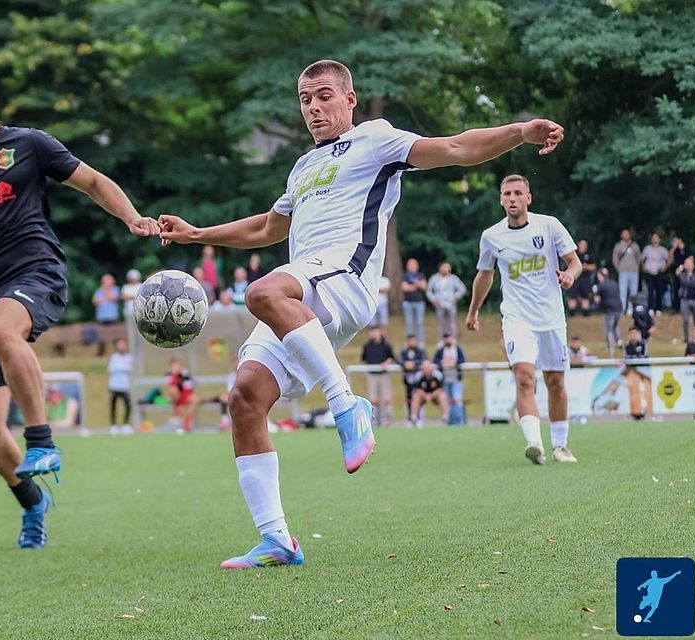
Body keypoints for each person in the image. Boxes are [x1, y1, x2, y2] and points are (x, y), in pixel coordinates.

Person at [157, 59, 564, 568]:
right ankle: (277, 538)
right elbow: (266, 228)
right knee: (244, 398)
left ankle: (347, 406)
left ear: (350, 99)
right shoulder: (302, 167)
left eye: (324, 96)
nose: (313, 107)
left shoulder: (375, 139)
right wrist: (197, 234)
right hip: (304, 295)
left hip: (345, 278)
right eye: (305, 99)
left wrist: (520, 132)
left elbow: (456, 148)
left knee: (260, 292)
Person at [0, 61, 159, 549]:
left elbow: (93, 182)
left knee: (1, 329)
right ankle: (31, 501)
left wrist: (131, 217)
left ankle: (42, 440)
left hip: (36, 273)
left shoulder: (28, 144)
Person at [466, 174, 581, 465]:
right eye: (507, 194)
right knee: (524, 377)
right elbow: (485, 274)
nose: (512, 198)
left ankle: (560, 446)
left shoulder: (549, 225)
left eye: (518, 193)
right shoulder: (492, 236)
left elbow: (574, 262)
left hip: (551, 318)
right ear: (501, 200)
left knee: (555, 381)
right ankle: (535, 444)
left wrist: (570, 276)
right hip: (517, 319)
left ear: (528, 198)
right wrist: (473, 310)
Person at [360, 326, 395, 426]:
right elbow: (364, 359)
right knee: (373, 399)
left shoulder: (386, 346)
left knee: (385, 399)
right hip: (372, 375)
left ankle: (387, 422)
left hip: (384, 375)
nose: (373, 334)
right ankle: (373, 421)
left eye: (375, 332)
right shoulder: (367, 346)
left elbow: (391, 357)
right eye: (371, 332)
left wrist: (386, 364)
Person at [426, 261, 466, 339]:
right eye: (445, 267)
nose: (447, 269)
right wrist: (433, 299)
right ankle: (441, 340)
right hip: (439, 303)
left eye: (448, 267)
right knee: (441, 324)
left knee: (452, 323)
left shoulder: (453, 278)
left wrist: (456, 297)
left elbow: (462, 288)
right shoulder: (434, 278)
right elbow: (429, 291)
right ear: (440, 268)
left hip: (450, 303)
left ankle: (453, 339)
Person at [432, 333, 466, 425]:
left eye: (449, 338)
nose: (448, 340)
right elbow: (435, 360)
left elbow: (463, 359)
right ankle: (450, 421)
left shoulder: (457, 349)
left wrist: (455, 363)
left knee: (457, 400)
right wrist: (442, 362)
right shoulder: (441, 350)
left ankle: (459, 421)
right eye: (446, 338)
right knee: (447, 401)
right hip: (445, 380)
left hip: (456, 379)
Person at [164, 357, 200, 432]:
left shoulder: (185, 374)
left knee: (196, 399)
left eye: (178, 365)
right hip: (176, 398)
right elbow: (171, 387)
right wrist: (175, 376)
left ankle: (187, 421)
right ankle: (176, 412)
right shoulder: (169, 374)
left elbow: (187, 390)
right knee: (173, 390)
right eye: (174, 366)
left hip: (186, 395)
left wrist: (182, 404)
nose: (177, 367)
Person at [593, 267, 623, 356]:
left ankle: (611, 348)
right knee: (615, 325)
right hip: (619, 308)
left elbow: (597, 298)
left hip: (609, 309)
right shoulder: (614, 283)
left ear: (600, 275)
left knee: (609, 329)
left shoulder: (601, 285)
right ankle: (619, 341)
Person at [409, 360, 447, 427]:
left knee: (442, 396)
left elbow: (440, 389)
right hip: (423, 394)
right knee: (416, 396)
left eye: (428, 368)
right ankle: (413, 419)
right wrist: (426, 395)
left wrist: (431, 395)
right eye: (424, 368)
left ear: (431, 368)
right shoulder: (418, 375)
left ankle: (445, 418)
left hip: (435, 394)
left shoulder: (438, 375)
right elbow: (417, 389)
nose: (426, 370)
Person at [623, 327, 650, 420]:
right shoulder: (626, 346)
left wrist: (634, 359)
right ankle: (634, 412)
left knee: (642, 392)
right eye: (631, 333)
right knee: (632, 392)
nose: (633, 335)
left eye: (635, 333)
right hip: (631, 372)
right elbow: (626, 358)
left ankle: (643, 412)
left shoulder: (643, 344)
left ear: (638, 334)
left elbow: (644, 357)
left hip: (643, 372)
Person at [612, 229, 641, 314]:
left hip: (634, 271)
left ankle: (631, 309)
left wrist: (636, 266)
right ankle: (622, 308)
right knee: (622, 291)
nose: (625, 235)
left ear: (630, 235)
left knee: (633, 291)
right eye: (623, 234)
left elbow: (638, 257)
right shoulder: (618, 246)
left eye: (627, 234)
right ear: (621, 235)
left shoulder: (634, 246)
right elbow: (615, 258)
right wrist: (619, 268)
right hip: (623, 271)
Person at [398, 334, 427, 417]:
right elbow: (399, 360)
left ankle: (419, 416)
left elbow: (424, 359)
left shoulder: (420, 351)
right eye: (410, 341)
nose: (412, 343)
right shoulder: (404, 351)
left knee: (419, 397)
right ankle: (410, 417)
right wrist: (405, 364)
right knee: (409, 398)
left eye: (413, 341)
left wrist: (414, 364)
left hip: (419, 379)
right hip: (408, 379)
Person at [107, 338, 132, 432]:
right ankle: (113, 425)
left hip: (125, 386)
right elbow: (111, 369)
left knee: (128, 406)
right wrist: (123, 367)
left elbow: (129, 368)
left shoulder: (129, 357)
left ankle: (125, 424)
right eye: (120, 344)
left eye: (123, 344)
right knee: (113, 406)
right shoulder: (114, 357)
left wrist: (119, 367)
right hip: (114, 386)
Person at [566, 239, 596, 317]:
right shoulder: (574, 254)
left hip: (585, 279)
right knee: (572, 296)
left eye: (584, 245)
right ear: (578, 245)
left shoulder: (589, 255)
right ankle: (571, 313)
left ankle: (586, 313)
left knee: (585, 296)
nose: (583, 246)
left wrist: (586, 266)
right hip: (575, 278)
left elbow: (593, 266)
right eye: (582, 245)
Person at [401, 258, 428, 345]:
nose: (412, 267)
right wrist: (417, 285)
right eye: (411, 265)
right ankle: (409, 341)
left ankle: (420, 341)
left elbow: (424, 286)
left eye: (414, 265)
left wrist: (412, 286)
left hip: (419, 303)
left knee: (419, 323)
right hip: (407, 303)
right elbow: (404, 288)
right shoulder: (405, 276)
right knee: (409, 323)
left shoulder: (421, 275)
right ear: (407, 266)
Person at [640, 233, 668, 315]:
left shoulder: (663, 250)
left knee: (659, 290)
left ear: (659, 240)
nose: (655, 240)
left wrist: (664, 267)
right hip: (649, 272)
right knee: (650, 291)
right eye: (653, 238)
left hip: (659, 272)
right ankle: (650, 308)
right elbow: (642, 259)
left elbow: (667, 260)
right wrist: (643, 267)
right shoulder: (647, 249)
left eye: (656, 238)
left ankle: (658, 308)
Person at [675, 255, 695, 342]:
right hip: (685, 299)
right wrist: (681, 267)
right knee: (685, 319)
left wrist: (689, 283)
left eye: (689, 263)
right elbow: (680, 277)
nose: (688, 265)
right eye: (686, 263)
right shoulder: (683, 275)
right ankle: (686, 338)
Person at [668, 235, 692, 312]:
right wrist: (674, 247)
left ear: (680, 240)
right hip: (676, 273)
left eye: (675, 240)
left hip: (685, 272)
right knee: (676, 290)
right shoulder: (675, 250)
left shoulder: (686, 249)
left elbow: (690, 259)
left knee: (686, 290)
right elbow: (669, 257)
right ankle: (676, 308)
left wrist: (681, 268)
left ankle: (687, 308)